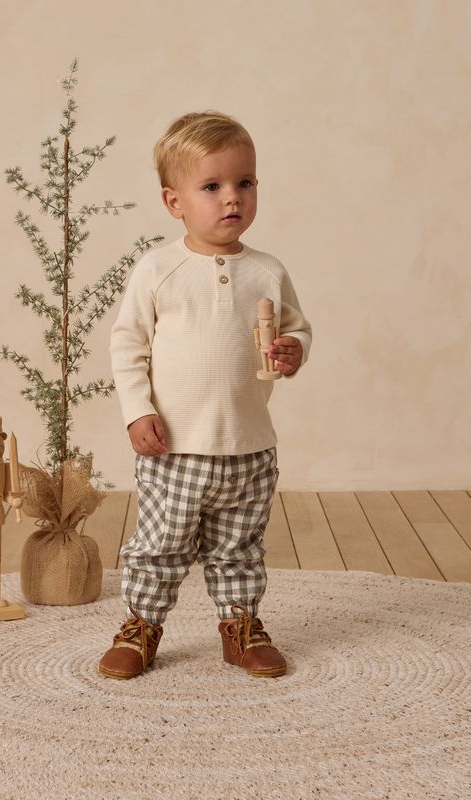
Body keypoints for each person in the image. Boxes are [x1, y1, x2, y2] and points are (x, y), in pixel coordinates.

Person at [98, 111, 312, 680]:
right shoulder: (158, 270)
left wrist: (293, 349)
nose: (231, 199)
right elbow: (128, 345)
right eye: (211, 186)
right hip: (176, 448)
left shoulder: (267, 270)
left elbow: (297, 328)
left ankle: (240, 626)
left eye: (244, 183)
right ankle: (140, 626)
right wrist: (137, 412)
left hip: (247, 447)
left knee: (240, 548)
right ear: (174, 202)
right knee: (159, 546)